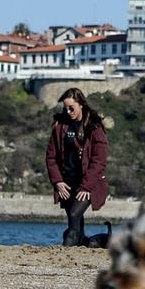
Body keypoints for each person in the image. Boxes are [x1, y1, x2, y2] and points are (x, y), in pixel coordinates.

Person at [44, 87, 109, 247]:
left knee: (74, 214)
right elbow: (51, 157)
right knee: (75, 222)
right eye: (65, 108)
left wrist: (86, 187)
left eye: (71, 107)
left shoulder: (95, 127)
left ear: (81, 105)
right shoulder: (60, 127)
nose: (68, 111)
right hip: (67, 183)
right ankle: (87, 242)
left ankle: (68, 247)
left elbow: (99, 161)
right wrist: (57, 181)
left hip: (89, 183)